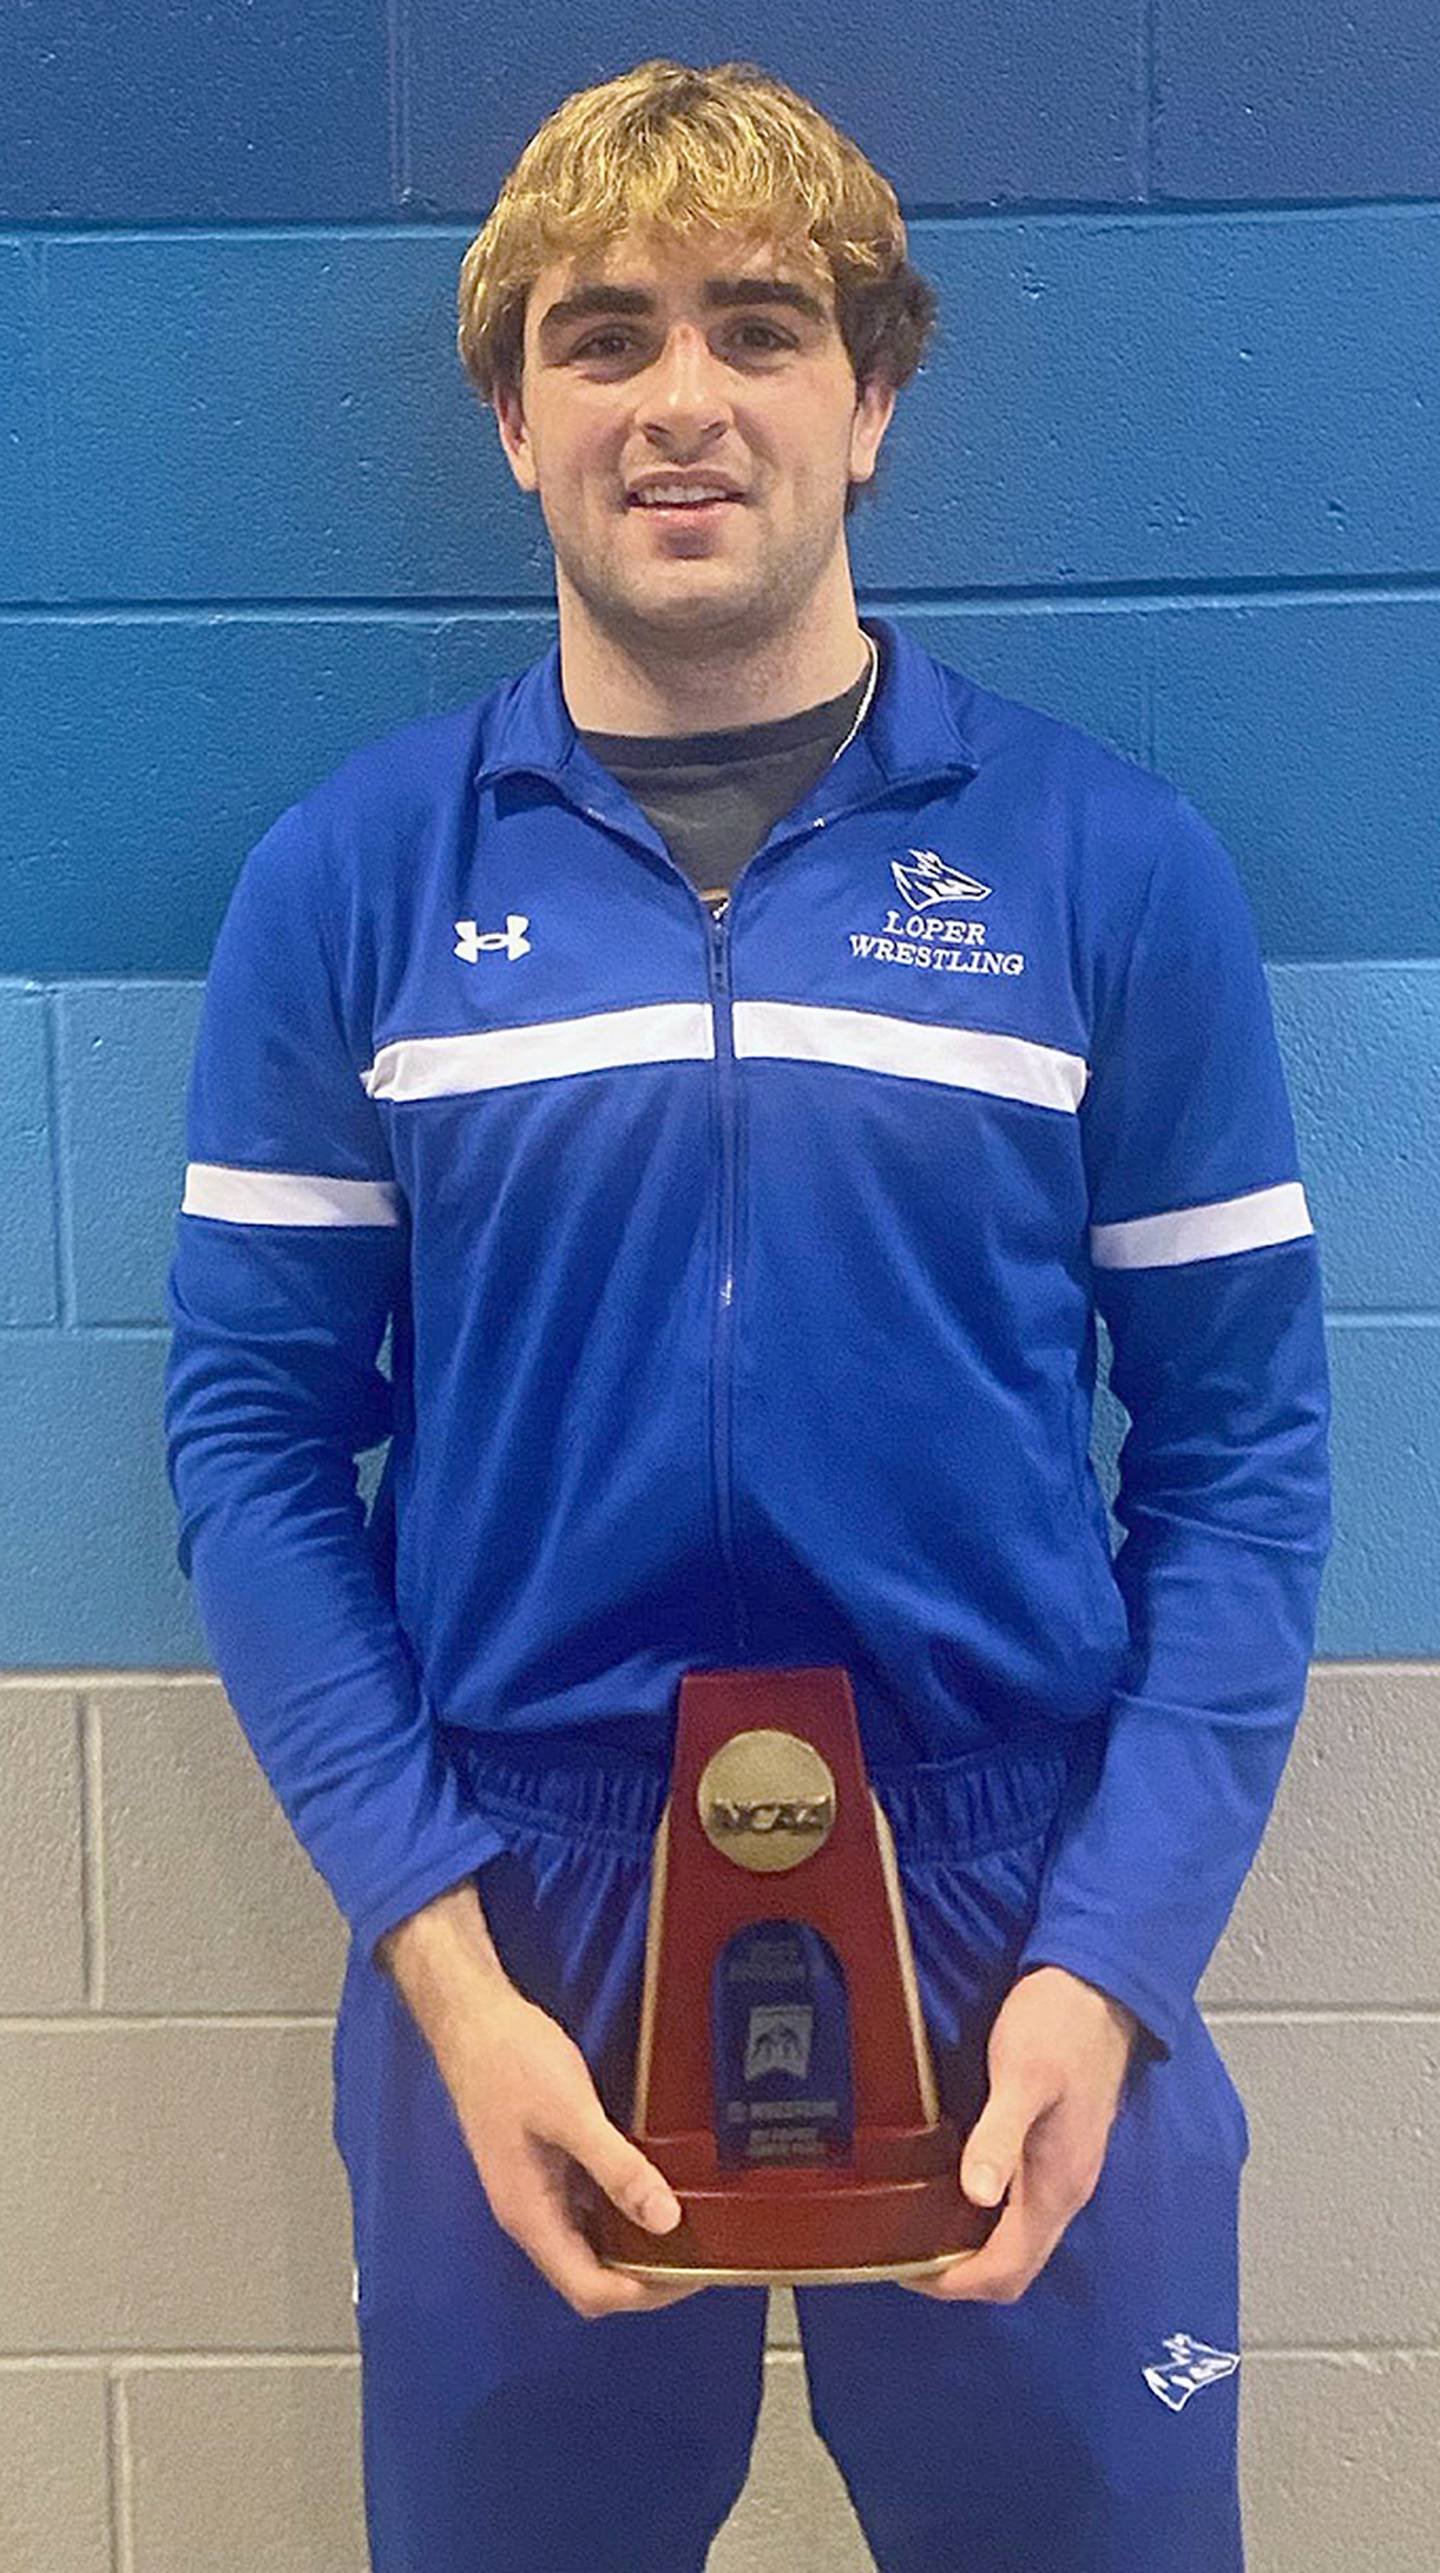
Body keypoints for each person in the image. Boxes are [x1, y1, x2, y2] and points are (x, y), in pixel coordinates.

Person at [162, 55, 1332, 2573]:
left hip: (1015, 1896)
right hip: (521, 1902)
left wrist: (1110, 1966)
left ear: (872, 394)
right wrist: (455, 1976)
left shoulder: (1106, 869)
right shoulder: (353, 888)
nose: (681, 396)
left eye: (760, 326)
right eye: (603, 336)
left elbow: (1245, 1465)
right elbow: (255, 1452)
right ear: (510, 415)